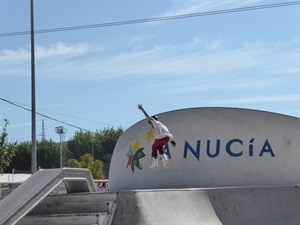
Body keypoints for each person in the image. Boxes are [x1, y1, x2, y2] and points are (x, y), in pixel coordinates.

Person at [137, 104, 176, 169]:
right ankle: (164, 156)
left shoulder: (155, 122)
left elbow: (148, 117)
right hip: (167, 138)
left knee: (154, 146)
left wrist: (142, 109)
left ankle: (154, 162)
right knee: (159, 146)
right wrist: (173, 143)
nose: (151, 126)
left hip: (161, 137)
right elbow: (169, 137)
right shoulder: (163, 126)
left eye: (150, 124)